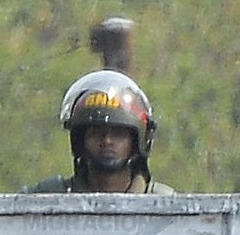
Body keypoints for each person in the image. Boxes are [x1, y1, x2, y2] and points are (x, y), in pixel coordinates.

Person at [24, 70, 157, 193]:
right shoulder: (46, 197)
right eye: (96, 132)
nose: (107, 141)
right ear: (79, 140)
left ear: (137, 141)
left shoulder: (167, 203)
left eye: (118, 134)